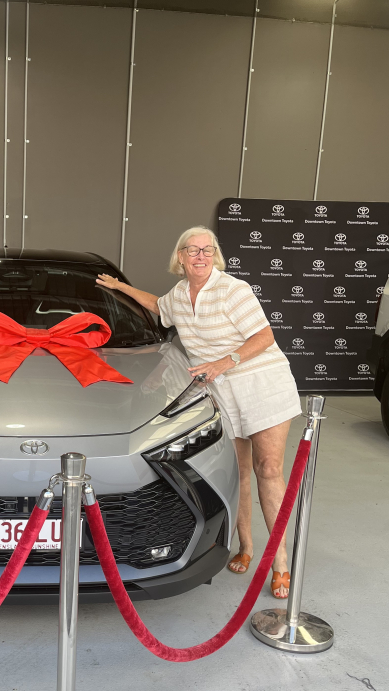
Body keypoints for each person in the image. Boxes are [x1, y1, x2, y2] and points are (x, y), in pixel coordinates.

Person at [96, 226, 301, 599]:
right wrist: (122, 288)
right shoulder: (178, 295)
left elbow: (264, 336)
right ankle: (246, 547)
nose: (201, 256)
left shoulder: (233, 289)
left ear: (215, 255)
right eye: (193, 250)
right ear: (181, 257)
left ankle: (281, 563)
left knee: (268, 469)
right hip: (222, 391)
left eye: (208, 249)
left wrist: (225, 361)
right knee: (239, 472)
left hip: (262, 384)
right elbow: (158, 306)